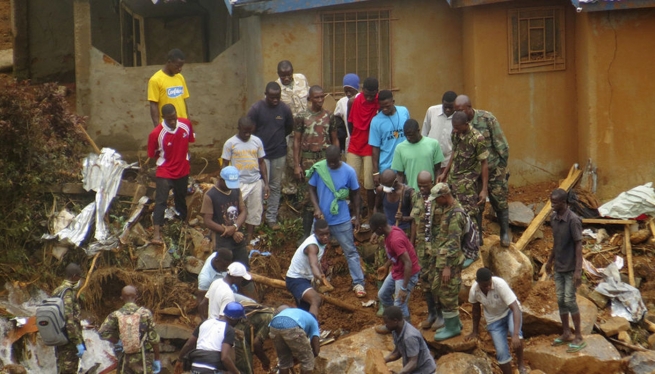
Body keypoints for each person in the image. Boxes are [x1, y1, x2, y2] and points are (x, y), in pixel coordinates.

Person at [307, 145, 367, 297]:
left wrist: (357, 217)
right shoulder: (320, 169)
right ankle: (316, 282)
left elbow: (355, 194)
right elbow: (311, 188)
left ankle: (358, 283)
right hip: (322, 221)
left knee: (351, 251)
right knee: (315, 252)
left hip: (342, 220)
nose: (331, 165)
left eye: (334, 162)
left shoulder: (349, 171)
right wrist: (316, 208)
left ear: (340, 157)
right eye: (329, 162)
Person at [454, 95, 510, 247]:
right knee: (476, 204)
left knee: (499, 200)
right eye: (456, 110)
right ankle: (477, 234)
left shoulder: (487, 119)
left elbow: (502, 145)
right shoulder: (459, 124)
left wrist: (501, 169)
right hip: (474, 173)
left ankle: (505, 231)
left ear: (469, 108)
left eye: (460, 110)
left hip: (494, 169)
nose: (457, 113)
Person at [293, 85, 339, 240]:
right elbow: (297, 141)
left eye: (322, 97)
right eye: (316, 97)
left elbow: (335, 139)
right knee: (307, 197)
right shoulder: (301, 116)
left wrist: (337, 159)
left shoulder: (329, 116)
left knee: (327, 194)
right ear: (310, 98)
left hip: (325, 159)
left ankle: (328, 232)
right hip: (308, 161)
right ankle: (306, 234)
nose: (320, 100)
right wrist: (297, 165)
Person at [247, 82, 294, 230]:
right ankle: (257, 218)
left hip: (279, 153)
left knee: (275, 186)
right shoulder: (256, 109)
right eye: (272, 97)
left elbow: (289, 127)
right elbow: (249, 130)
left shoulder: (284, 109)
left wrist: (279, 140)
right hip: (262, 156)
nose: (275, 100)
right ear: (266, 95)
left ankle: (271, 218)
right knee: (261, 186)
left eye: (278, 97)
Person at [146, 103, 195, 245]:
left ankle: (183, 226)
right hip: (165, 169)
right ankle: (156, 234)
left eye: (174, 118)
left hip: (182, 168)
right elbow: (152, 153)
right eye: (169, 119)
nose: (172, 122)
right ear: (164, 118)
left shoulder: (186, 125)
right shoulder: (156, 134)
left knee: (181, 197)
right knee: (161, 200)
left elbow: (189, 141)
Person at [545, 188, 586, 353]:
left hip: (570, 269)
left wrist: (578, 270)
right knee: (561, 300)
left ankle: (579, 336)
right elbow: (556, 243)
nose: (552, 205)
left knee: (570, 300)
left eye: (555, 203)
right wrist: (549, 261)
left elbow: (578, 245)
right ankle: (566, 332)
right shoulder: (554, 218)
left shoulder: (573, 220)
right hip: (559, 267)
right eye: (551, 202)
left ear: (563, 202)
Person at [466, 268, 527, 374]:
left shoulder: (500, 284)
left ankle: (521, 364)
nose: (488, 287)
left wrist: (516, 334)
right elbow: (476, 310)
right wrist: (475, 331)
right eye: (485, 286)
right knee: (501, 352)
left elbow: (515, 308)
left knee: (514, 332)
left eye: (489, 284)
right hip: (493, 320)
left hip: (509, 312)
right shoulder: (474, 291)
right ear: (478, 282)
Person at [370, 213, 421, 334]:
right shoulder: (390, 231)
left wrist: (403, 288)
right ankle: (392, 323)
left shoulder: (395, 239)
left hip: (407, 273)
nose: (374, 233)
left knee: (400, 304)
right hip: (397, 270)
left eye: (375, 231)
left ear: (380, 228)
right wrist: (386, 266)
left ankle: (408, 331)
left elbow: (408, 263)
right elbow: (395, 256)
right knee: (383, 295)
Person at [372, 169, 414, 316]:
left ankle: (401, 299)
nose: (386, 188)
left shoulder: (407, 193)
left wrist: (404, 218)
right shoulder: (381, 191)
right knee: (381, 264)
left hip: (401, 232)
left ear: (395, 182)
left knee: (401, 262)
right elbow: (376, 208)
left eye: (388, 185)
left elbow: (415, 217)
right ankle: (384, 303)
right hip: (384, 231)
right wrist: (375, 229)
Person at [221, 117, 270, 242]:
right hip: (238, 182)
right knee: (234, 210)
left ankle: (249, 237)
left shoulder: (257, 141)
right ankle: (235, 233)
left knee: (254, 210)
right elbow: (225, 164)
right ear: (239, 129)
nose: (247, 134)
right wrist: (223, 182)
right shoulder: (230, 143)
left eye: (250, 131)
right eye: (244, 132)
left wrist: (266, 183)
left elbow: (262, 163)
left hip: (255, 181)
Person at [429, 183, 467, 341]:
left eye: (437, 199)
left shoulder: (455, 214)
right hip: (442, 258)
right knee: (441, 289)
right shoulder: (447, 209)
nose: (435, 202)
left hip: (449, 263)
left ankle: (452, 329)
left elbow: (453, 244)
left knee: (448, 293)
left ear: (444, 197)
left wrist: (447, 267)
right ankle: (454, 323)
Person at [437, 111, 488, 226]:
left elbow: (484, 163)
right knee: (452, 211)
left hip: (467, 184)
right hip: (453, 179)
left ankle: (474, 240)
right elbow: (454, 152)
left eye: (457, 128)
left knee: (469, 214)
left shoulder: (477, 138)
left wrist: (484, 189)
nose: (455, 130)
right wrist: (444, 173)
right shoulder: (455, 133)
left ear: (466, 124)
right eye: (453, 127)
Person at [409, 171, 444, 331]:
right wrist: (412, 242)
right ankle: (431, 313)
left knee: (437, 280)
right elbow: (414, 222)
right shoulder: (415, 197)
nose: (422, 189)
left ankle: (441, 314)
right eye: (420, 185)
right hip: (421, 247)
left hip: (436, 247)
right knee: (424, 280)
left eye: (425, 185)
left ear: (431, 183)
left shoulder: (439, 199)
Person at [98, 285, 161, 374]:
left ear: (121, 298)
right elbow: (154, 339)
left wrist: (117, 341)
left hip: (125, 358)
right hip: (143, 358)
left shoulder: (115, 315)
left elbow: (102, 333)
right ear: (137, 297)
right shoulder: (145, 314)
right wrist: (157, 359)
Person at [175, 301, 244, 374]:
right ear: (235, 320)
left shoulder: (205, 322)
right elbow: (224, 358)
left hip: (195, 367)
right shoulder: (229, 330)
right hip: (212, 369)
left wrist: (179, 360)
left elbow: (189, 344)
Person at [200, 166, 249, 267]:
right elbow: (208, 221)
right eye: (228, 184)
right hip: (222, 240)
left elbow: (243, 210)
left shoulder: (236, 190)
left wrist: (235, 227)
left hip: (238, 238)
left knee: (243, 268)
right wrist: (228, 231)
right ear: (220, 179)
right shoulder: (210, 195)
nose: (230, 187)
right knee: (223, 270)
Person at [285, 219, 332, 319]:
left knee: (305, 310)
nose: (325, 237)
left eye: (327, 234)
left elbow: (317, 260)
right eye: (322, 235)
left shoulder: (321, 242)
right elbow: (313, 264)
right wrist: (319, 276)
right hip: (296, 279)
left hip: (306, 279)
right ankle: (313, 328)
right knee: (315, 299)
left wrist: (321, 273)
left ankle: (304, 331)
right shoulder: (312, 246)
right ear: (315, 233)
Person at [347, 77, 379, 216]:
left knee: (369, 182)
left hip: (370, 146)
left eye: (373, 95)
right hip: (355, 144)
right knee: (350, 179)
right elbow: (349, 122)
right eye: (367, 95)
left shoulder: (379, 101)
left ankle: (372, 212)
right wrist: (353, 136)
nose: (370, 98)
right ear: (362, 90)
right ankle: (356, 211)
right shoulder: (353, 101)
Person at [369, 90, 410, 186]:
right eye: (382, 107)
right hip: (387, 166)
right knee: (389, 197)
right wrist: (376, 172)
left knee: (406, 195)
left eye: (387, 106)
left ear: (393, 102)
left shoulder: (404, 111)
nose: (384, 109)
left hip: (406, 164)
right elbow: (375, 148)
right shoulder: (376, 121)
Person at [391, 119, 444, 191]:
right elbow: (400, 175)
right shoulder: (400, 148)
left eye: (411, 135)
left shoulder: (433, 144)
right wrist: (401, 193)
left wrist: (436, 188)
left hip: (430, 191)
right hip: (412, 193)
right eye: (406, 135)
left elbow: (437, 169)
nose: (408, 138)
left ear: (418, 131)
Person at [382, 306, 437, 374]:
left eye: (387, 322)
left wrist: (400, 373)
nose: (385, 325)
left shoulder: (410, 337)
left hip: (425, 371)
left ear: (395, 321)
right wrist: (383, 361)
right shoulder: (395, 331)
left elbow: (413, 363)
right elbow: (398, 352)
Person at [268, 305, 321, 374]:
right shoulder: (314, 321)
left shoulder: (297, 312)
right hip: (291, 324)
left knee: (284, 362)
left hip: (273, 325)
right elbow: (316, 350)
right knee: (307, 361)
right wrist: (309, 355)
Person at [53, 263, 85, 374]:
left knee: (61, 369)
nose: (80, 279)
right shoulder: (67, 293)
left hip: (59, 337)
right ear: (74, 276)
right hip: (68, 342)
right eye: (79, 276)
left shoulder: (57, 291)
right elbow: (69, 321)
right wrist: (78, 342)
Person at [148, 49, 189, 127]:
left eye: (181, 66)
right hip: (167, 125)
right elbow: (153, 105)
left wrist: (188, 122)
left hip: (182, 124)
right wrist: (157, 127)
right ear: (169, 62)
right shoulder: (155, 80)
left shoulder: (180, 78)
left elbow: (184, 101)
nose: (180, 69)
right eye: (177, 66)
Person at [233, 300, 274, 374]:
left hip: (230, 333)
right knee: (246, 370)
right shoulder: (270, 318)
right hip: (238, 338)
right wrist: (265, 361)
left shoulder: (264, 310)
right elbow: (256, 344)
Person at [422, 91, 457, 167]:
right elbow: (424, 132)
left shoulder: (459, 117)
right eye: (445, 107)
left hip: (448, 161)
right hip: (430, 159)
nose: (447, 110)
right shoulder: (431, 111)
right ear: (442, 103)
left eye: (451, 107)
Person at [333, 73, 360, 153]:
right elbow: (338, 123)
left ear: (356, 89)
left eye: (351, 91)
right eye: (346, 91)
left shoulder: (362, 99)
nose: (348, 94)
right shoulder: (341, 102)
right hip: (349, 142)